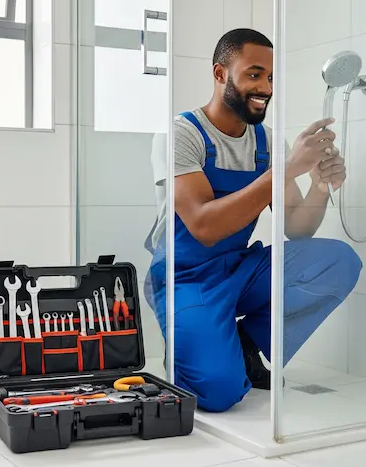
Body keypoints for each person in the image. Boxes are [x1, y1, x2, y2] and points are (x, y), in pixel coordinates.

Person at [143, 28, 363, 413]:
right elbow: (203, 226)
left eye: (272, 77)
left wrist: (319, 185)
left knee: (338, 261)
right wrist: (282, 173)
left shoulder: (267, 142)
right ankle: (198, 343)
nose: (266, 87)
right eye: (254, 74)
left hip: (238, 270)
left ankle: (244, 340)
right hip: (186, 278)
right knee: (218, 394)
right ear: (220, 73)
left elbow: (296, 227)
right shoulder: (180, 134)